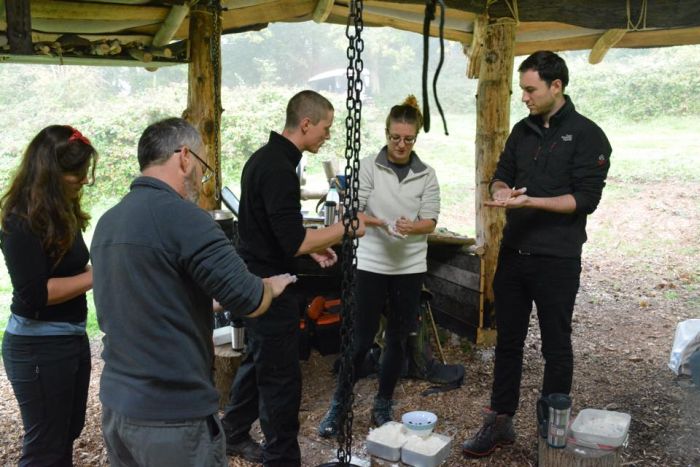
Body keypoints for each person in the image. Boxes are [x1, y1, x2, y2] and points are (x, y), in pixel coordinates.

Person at [90, 117, 295, 467]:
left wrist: (207, 303)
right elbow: (251, 300)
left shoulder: (109, 220)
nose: (201, 177)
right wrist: (272, 285)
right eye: (202, 166)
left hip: (117, 408)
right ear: (184, 157)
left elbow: (151, 299)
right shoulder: (185, 218)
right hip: (172, 416)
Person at [462, 50, 611, 458]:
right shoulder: (521, 131)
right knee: (507, 340)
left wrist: (531, 202)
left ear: (556, 86)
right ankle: (500, 419)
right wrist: (501, 192)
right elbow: (501, 174)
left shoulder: (588, 135)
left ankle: (552, 430)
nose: (524, 97)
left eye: (530, 89)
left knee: (556, 345)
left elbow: (584, 200)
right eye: (523, 89)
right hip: (513, 255)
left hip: (557, 260)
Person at [221, 90, 366, 466]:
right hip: (270, 285)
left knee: (258, 360)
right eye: (325, 128)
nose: (326, 136)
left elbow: (276, 229)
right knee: (281, 379)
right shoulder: (278, 168)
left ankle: (233, 432)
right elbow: (293, 237)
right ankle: (281, 458)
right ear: (305, 124)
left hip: (258, 275)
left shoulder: (266, 159)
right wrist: (345, 229)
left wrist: (309, 248)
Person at [318, 95, 440, 437]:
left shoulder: (426, 175)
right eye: (395, 137)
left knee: (398, 340)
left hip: (409, 266)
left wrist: (410, 227)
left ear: (415, 138)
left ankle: (383, 403)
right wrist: (380, 222)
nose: (401, 145)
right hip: (371, 263)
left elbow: (430, 220)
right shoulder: (368, 166)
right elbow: (352, 210)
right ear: (386, 133)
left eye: (408, 139)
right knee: (359, 340)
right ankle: (340, 403)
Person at [0, 125, 97, 466]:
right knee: (45, 448)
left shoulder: (62, 210)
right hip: (37, 346)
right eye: (77, 175)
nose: (84, 181)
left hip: (68, 337)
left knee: (67, 432)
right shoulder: (18, 220)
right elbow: (34, 294)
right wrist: (96, 275)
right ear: (51, 174)